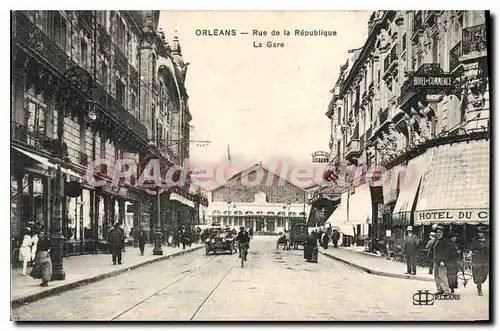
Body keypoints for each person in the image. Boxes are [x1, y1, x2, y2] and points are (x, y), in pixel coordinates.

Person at [432, 226, 452, 295]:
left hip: (442, 261)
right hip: (436, 260)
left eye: (439, 232)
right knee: (436, 275)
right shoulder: (436, 241)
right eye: (437, 232)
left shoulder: (445, 241)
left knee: (442, 275)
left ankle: (446, 290)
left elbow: (447, 252)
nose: (438, 234)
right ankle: (439, 289)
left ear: (442, 233)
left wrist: (443, 260)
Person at [470, 230, 489, 296]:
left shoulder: (487, 241)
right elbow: (471, 248)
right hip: (477, 259)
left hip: (486, 259)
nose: (480, 234)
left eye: (481, 232)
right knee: (478, 274)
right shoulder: (475, 241)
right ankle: (479, 288)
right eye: (479, 232)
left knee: (485, 274)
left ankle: (479, 283)